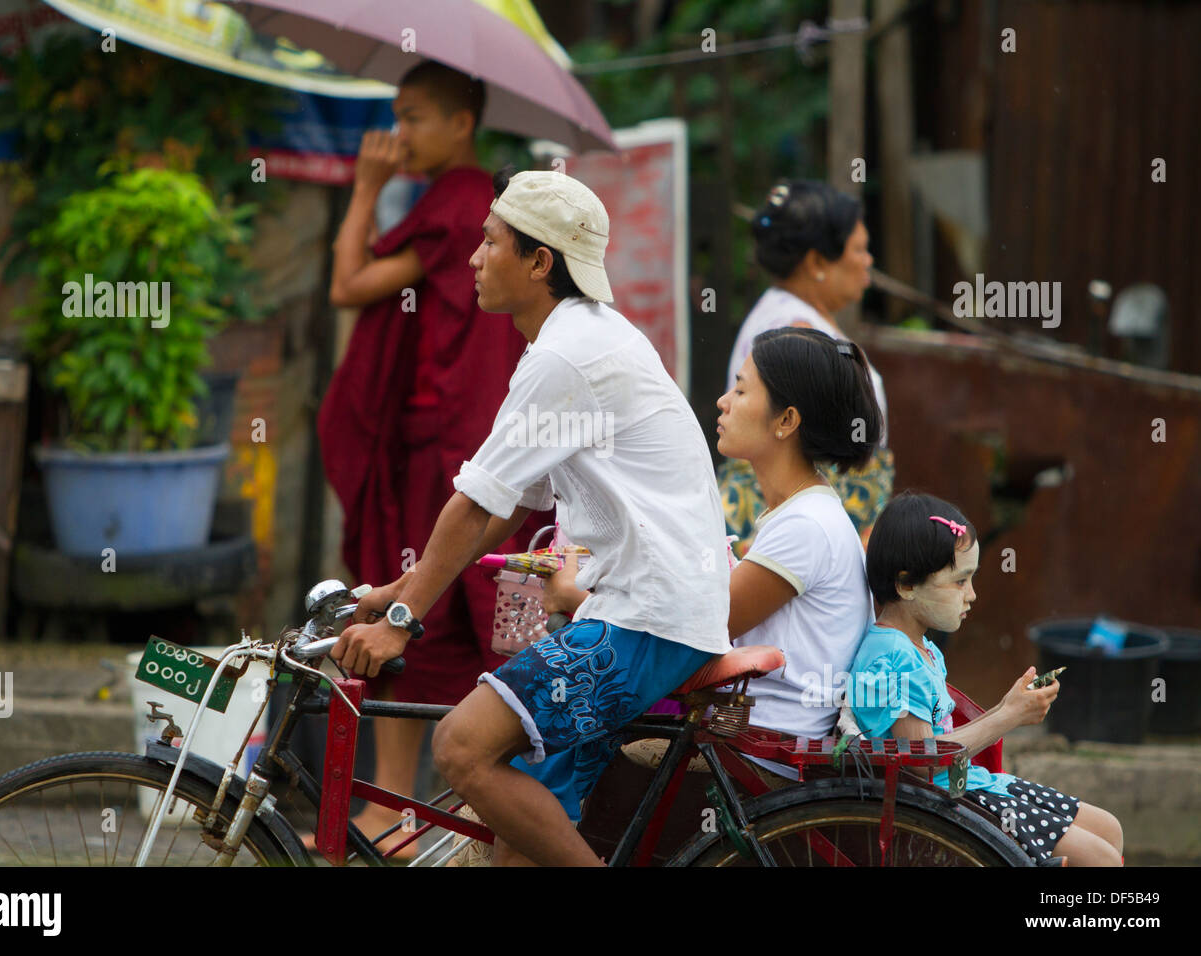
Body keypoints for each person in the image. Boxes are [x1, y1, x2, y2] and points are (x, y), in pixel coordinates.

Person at [332, 168, 732, 866]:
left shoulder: (564, 356)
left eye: (490, 243)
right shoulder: (575, 338)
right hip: (642, 609)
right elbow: (512, 503)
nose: (473, 259)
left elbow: (476, 501)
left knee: (460, 744)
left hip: (645, 617)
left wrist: (402, 625)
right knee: (515, 845)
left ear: (540, 261)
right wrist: (407, 589)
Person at [316, 60, 546, 854]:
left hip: (460, 452)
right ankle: (397, 813)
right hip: (448, 444)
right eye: (395, 115)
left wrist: (363, 188)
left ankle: (422, 814)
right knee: (419, 621)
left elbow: (346, 284)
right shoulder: (458, 206)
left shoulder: (458, 205)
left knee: (444, 619)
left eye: (413, 117)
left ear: (463, 123)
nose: (398, 133)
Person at [546, 326, 883, 784]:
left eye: (742, 389)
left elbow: (694, 631)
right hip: (745, 734)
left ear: (786, 421)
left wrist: (576, 598)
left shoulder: (807, 526)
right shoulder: (801, 514)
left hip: (760, 756)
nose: (724, 401)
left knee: (556, 762)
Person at [850, 492, 1125, 866]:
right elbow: (921, 762)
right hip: (942, 804)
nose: (972, 595)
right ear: (906, 584)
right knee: (1098, 857)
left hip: (969, 785)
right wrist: (1007, 716)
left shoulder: (922, 649)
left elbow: (936, 743)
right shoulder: (891, 657)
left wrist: (1008, 707)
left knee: (1109, 829)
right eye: (960, 581)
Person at [718, 179, 893, 554]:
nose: (868, 261)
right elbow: (811, 439)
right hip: (809, 514)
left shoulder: (793, 315)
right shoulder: (797, 330)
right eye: (860, 249)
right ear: (816, 262)